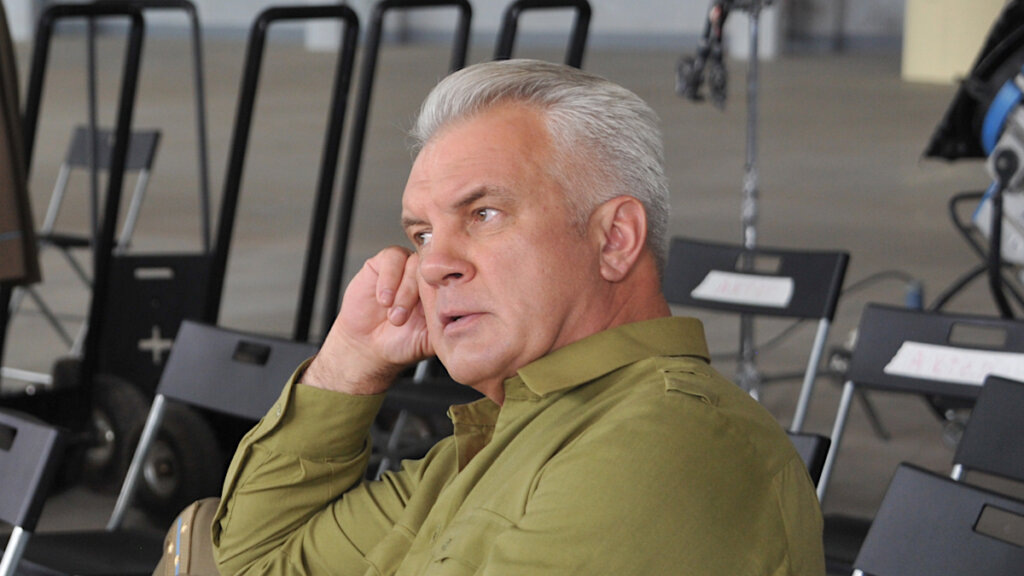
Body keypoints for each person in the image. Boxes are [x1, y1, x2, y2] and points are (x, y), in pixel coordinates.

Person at [210, 58, 825, 575]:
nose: (433, 265)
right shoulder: (495, 442)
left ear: (615, 240)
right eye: (422, 235)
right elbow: (254, 562)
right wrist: (349, 362)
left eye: (483, 214)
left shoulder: (668, 444)